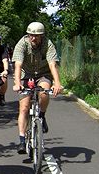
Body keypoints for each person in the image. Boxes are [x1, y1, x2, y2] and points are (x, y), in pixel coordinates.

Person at [12, 22, 63, 154]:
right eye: (31, 35)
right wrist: (17, 83)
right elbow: (18, 65)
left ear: (42, 36)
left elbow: (52, 65)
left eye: (36, 36)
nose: (33, 38)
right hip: (26, 74)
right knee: (24, 107)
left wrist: (57, 83)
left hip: (43, 74)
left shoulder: (48, 44)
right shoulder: (22, 43)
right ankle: (22, 140)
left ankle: (42, 115)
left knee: (44, 93)